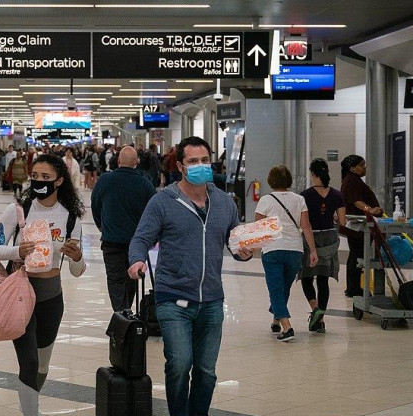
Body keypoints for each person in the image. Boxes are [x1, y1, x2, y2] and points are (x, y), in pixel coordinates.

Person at [128, 136, 253, 416]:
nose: (200, 166)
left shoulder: (224, 203)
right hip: (173, 298)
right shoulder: (162, 202)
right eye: (193, 161)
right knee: (180, 365)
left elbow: (236, 245)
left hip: (211, 299)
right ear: (181, 166)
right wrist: (137, 260)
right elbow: (141, 238)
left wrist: (245, 252)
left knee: (207, 372)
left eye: (205, 160)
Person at [0, 154, 86, 415]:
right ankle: (31, 412)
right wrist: (18, 251)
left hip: (51, 298)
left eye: (46, 178)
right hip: (20, 295)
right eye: (35, 177)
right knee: (29, 363)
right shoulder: (17, 211)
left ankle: (31, 400)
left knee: (42, 366)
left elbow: (77, 270)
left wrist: (77, 256)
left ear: (60, 181)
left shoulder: (71, 217)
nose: (39, 182)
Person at [254, 165, 318, 342]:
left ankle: (287, 327)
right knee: (284, 287)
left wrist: (253, 248)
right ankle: (276, 320)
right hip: (295, 250)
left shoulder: (266, 200)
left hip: (272, 249)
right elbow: (306, 226)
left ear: (270, 180)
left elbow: (259, 228)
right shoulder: (299, 199)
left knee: (276, 288)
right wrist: (312, 250)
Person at [92, 146, 156, 311]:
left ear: (118, 160)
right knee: (131, 277)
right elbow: (154, 214)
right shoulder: (145, 184)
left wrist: (102, 226)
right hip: (136, 244)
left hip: (111, 241)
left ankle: (121, 314)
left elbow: (95, 206)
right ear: (137, 162)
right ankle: (126, 312)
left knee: (114, 279)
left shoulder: (105, 180)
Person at [299, 159, 346, 333]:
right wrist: (331, 217)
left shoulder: (304, 195)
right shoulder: (337, 194)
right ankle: (321, 321)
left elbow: (303, 222)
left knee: (306, 277)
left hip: (311, 237)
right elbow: (342, 221)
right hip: (329, 237)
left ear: (313, 174)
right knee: (323, 280)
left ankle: (315, 309)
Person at [340, 155, 382, 298]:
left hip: (357, 225)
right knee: (357, 256)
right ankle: (354, 288)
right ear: (352, 168)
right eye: (361, 165)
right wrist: (369, 209)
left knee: (355, 255)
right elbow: (356, 200)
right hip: (358, 225)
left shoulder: (352, 180)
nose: (364, 167)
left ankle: (353, 287)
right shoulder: (352, 181)